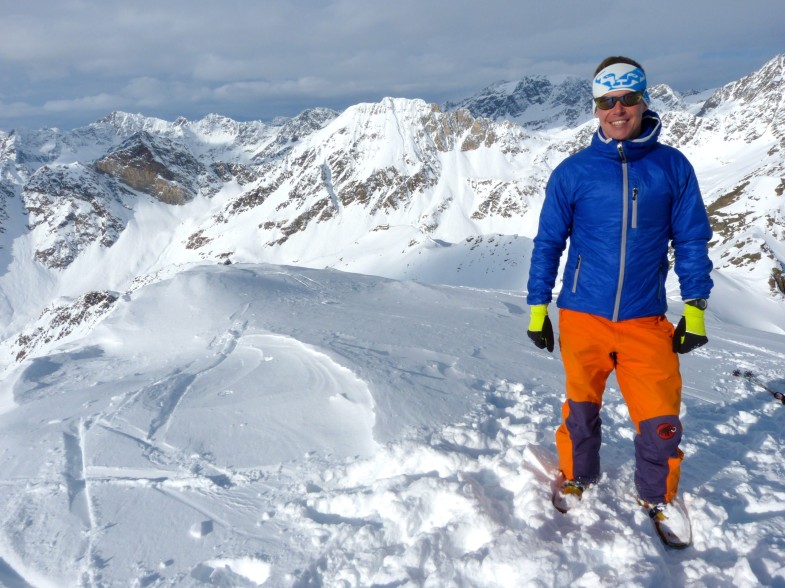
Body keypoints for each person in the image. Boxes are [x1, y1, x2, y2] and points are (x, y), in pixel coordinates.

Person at [525, 56, 713, 544]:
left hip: (645, 318)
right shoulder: (574, 171)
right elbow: (549, 242)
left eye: (628, 98)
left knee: (661, 422)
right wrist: (537, 307)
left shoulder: (672, 166)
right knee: (581, 411)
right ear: (595, 108)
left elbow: (691, 239)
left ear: (644, 101)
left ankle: (657, 497)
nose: (618, 109)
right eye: (607, 101)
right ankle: (576, 476)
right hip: (582, 315)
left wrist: (695, 307)